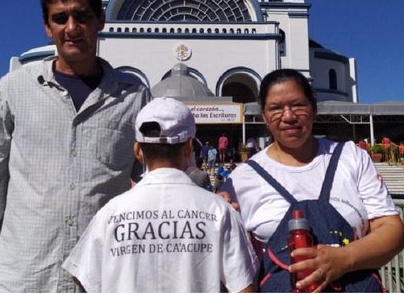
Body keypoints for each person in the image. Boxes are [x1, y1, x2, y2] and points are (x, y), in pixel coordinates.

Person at [0, 0, 150, 293]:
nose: (72, 28)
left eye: (82, 16)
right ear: (48, 27)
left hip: (102, 281)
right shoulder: (15, 89)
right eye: (60, 18)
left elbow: (154, 183)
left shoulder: (134, 97)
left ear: (100, 20)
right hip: (23, 281)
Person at [223, 68, 404, 292]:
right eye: (276, 108)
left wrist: (344, 259)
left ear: (314, 108)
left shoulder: (351, 157)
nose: (288, 116)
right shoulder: (241, 179)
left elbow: (391, 230)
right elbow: (232, 263)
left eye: (298, 105)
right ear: (264, 116)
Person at [62, 97, 258, 292]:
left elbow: (85, 277)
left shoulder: (110, 213)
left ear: (138, 150)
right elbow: (243, 286)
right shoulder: (219, 211)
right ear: (189, 147)